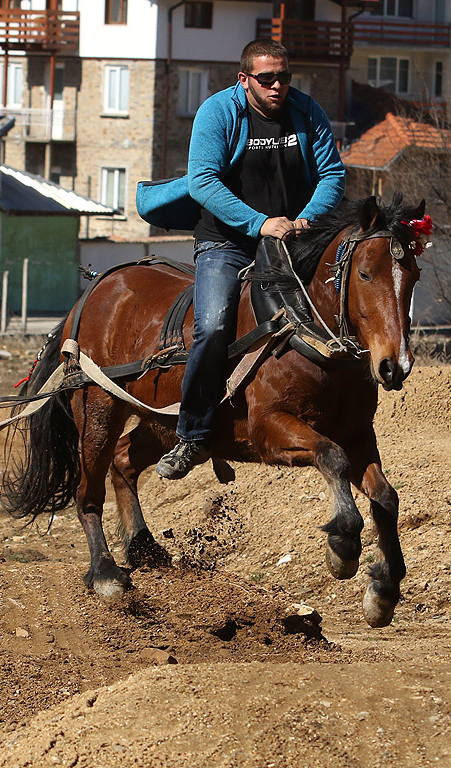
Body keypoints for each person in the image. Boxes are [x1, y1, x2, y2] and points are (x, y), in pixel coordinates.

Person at [139, 39, 346, 480]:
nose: (277, 86)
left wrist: (307, 219)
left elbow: (333, 174)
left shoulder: (307, 113)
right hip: (227, 243)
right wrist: (260, 223)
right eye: (266, 78)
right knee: (213, 326)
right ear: (244, 79)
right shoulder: (218, 113)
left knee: (335, 309)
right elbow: (203, 183)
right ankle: (192, 435)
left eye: (284, 77)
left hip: (293, 239)